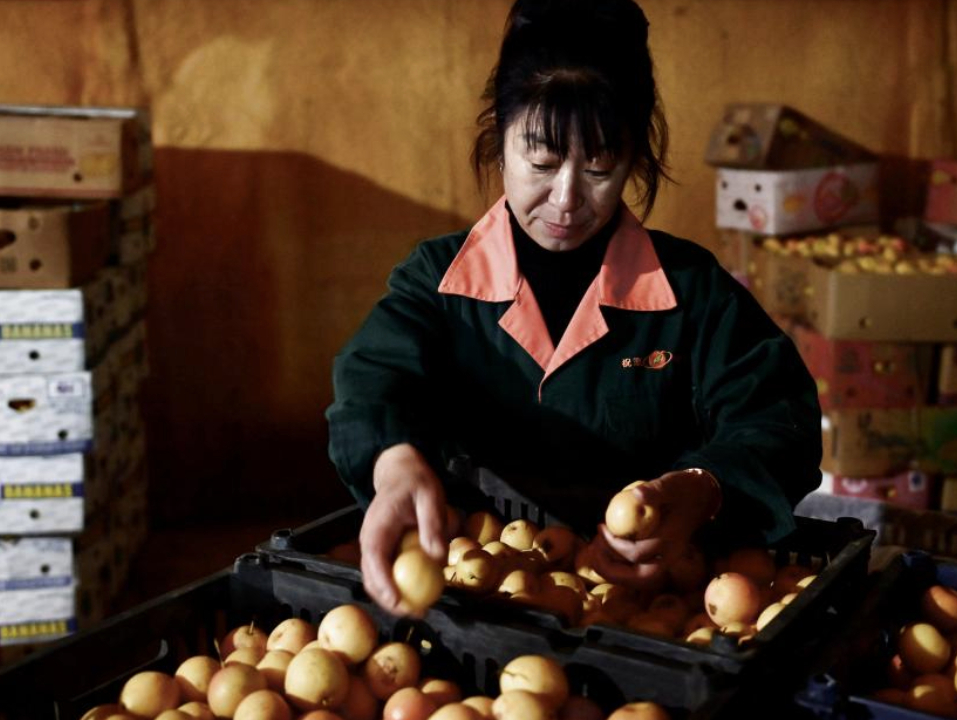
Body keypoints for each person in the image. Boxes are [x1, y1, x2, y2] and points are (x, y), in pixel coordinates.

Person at [327, 0, 822, 616]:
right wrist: (394, 460)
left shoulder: (690, 290)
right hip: (478, 605)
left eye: (598, 168)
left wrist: (701, 490)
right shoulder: (440, 283)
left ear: (634, 159)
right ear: (498, 141)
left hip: (653, 607)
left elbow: (779, 418)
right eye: (541, 162)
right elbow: (374, 380)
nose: (565, 198)